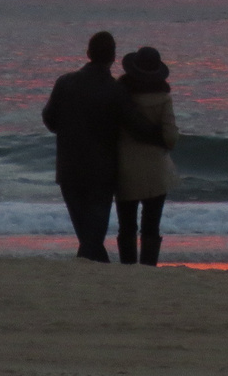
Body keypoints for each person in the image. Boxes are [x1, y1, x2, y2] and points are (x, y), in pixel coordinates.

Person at [41, 31, 166, 262]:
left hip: (69, 171)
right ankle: (100, 279)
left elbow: (49, 120)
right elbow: (137, 127)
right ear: (113, 57)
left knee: (88, 238)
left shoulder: (65, 82)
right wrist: (165, 134)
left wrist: (71, 129)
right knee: (92, 239)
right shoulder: (116, 91)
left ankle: (95, 279)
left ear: (88, 54)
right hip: (101, 174)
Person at [115, 45, 181, 265]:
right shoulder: (163, 98)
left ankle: (127, 267)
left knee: (127, 226)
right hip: (155, 171)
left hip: (124, 167)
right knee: (151, 226)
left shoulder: (120, 94)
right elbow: (170, 137)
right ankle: (148, 268)